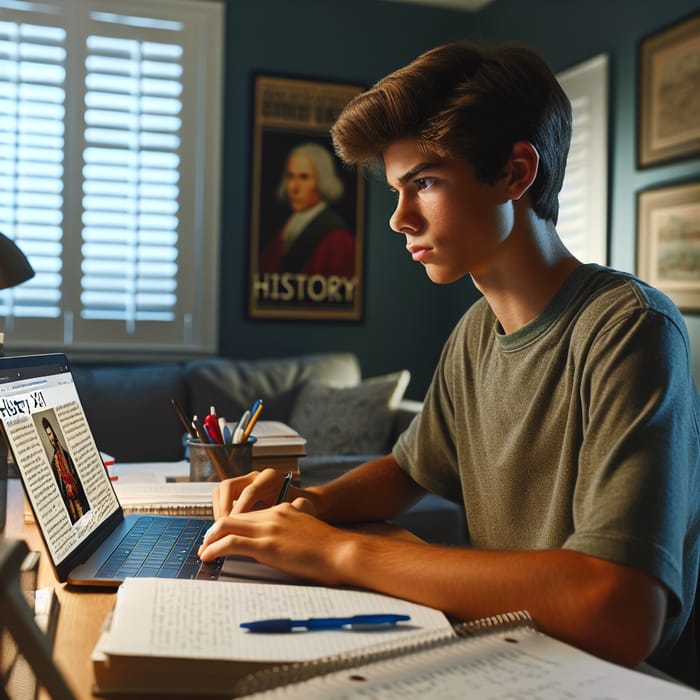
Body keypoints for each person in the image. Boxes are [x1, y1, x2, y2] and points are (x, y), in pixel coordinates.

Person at [200, 42, 700, 684]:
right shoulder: (475, 332)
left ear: (517, 173)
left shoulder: (628, 327)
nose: (399, 218)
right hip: (511, 654)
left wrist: (341, 552)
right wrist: (305, 508)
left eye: (425, 182)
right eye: (396, 189)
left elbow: (617, 609)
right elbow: (409, 468)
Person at [259, 142, 355, 277]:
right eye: (290, 176)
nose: (294, 188)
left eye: (304, 177)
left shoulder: (338, 239)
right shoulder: (286, 227)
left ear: (322, 181)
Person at [42, 415, 89, 524]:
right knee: (73, 515)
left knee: (80, 510)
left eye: (51, 434)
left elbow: (73, 470)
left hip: (74, 488)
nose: (51, 438)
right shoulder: (54, 461)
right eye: (48, 435)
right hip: (67, 493)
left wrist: (72, 483)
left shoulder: (66, 455)